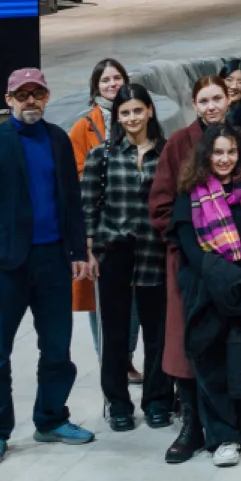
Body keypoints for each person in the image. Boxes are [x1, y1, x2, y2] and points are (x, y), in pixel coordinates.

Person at [0, 67, 96, 468]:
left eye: (37, 93)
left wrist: (77, 251)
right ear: (9, 100)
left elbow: (71, 202)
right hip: (6, 266)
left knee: (57, 348)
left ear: (47, 96)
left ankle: (52, 418)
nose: (30, 101)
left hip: (52, 261)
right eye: (23, 95)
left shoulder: (57, 139)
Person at [148, 72, 241, 465]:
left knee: (236, 341)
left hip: (237, 262)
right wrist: (193, 242)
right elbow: (161, 206)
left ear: (228, 100)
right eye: (203, 100)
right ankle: (192, 423)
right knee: (191, 343)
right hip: (191, 263)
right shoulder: (177, 144)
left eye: (217, 99)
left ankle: (238, 422)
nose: (211, 107)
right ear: (194, 104)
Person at [172, 124, 241, 466]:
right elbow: (191, 250)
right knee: (214, 365)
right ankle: (222, 437)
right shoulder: (192, 192)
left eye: (231, 152)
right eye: (217, 152)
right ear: (206, 155)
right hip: (211, 291)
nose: (225, 159)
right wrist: (230, 279)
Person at [80, 80, 169, 433]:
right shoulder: (101, 155)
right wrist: (90, 250)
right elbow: (89, 207)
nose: (132, 117)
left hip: (154, 251)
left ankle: (158, 400)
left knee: (157, 333)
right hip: (114, 253)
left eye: (138, 110)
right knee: (114, 334)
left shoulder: (166, 153)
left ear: (149, 111)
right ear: (117, 116)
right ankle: (118, 403)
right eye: (125, 112)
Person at [67, 58, 129, 337]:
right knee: (99, 296)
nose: (112, 84)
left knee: (134, 296)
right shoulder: (83, 126)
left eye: (116, 78)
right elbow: (75, 172)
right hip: (99, 224)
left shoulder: (135, 116)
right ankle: (106, 358)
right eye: (105, 80)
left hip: (130, 221)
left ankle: (126, 357)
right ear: (95, 87)